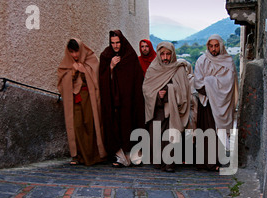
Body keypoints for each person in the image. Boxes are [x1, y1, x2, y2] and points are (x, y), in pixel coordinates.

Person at [57, 38, 107, 166]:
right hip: (75, 100)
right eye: (71, 52)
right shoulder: (66, 63)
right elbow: (61, 83)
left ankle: (94, 157)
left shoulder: (91, 59)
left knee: (90, 125)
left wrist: (85, 72)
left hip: (89, 99)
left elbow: (97, 80)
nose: (74, 55)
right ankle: (80, 156)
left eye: (76, 52)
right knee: (77, 126)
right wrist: (73, 72)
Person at [99, 30, 145, 167]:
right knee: (116, 126)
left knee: (130, 125)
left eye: (118, 42)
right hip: (114, 101)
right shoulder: (106, 55)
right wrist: (111, 67)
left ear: (122, 41)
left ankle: (133, 155)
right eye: (113, 43)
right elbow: (102, 78)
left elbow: (137, 78)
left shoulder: (130, 55)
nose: (115, 46)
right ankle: (120, 156)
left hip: (129, 100)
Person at [143, 42, 191, 173]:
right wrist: (157, 95)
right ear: (158, 54)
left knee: (171, 136)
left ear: (172, 55)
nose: (165, 57)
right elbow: (147, 89)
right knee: (157, 136)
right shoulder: (153, 68)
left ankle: (169, 163)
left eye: (168, 54)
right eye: (162, 54)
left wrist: (170, 91)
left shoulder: (178, 69)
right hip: (157, 109)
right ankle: (159, 161)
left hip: (173, 109)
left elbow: (184, 90)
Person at [194, 34, 239, 171]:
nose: (214, 49)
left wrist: (210, 82)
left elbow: (229, 83)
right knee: (206, 133)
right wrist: (212, 83)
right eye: (211, 46)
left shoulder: (228, 62)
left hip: (222, 104)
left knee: (218, 133)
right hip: (206, 104)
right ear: (208, 46)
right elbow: (198, 82)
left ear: (221, 46)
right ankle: (203, 162)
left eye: (216, 46)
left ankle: (216, 162)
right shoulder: (201, 61)